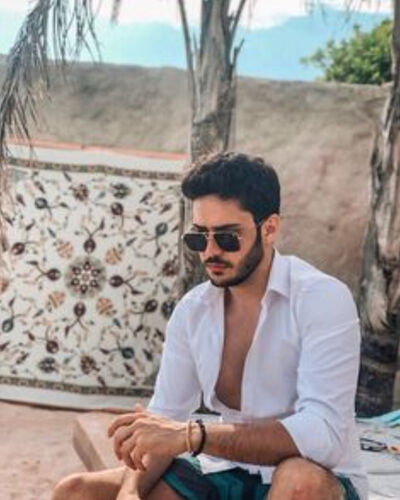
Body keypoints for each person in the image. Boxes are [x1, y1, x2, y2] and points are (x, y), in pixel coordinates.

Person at [53, 153, 367, 500]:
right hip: (224, 471)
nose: (211, 252)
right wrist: (129, 492)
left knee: (298, 482)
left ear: (269, 228)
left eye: (227, 238)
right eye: (199, 238)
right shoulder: (194, 311)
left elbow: (324, 434)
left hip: (317, 479)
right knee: (76, 492)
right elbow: (164, 418)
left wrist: (194, 435)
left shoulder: (321, 298)